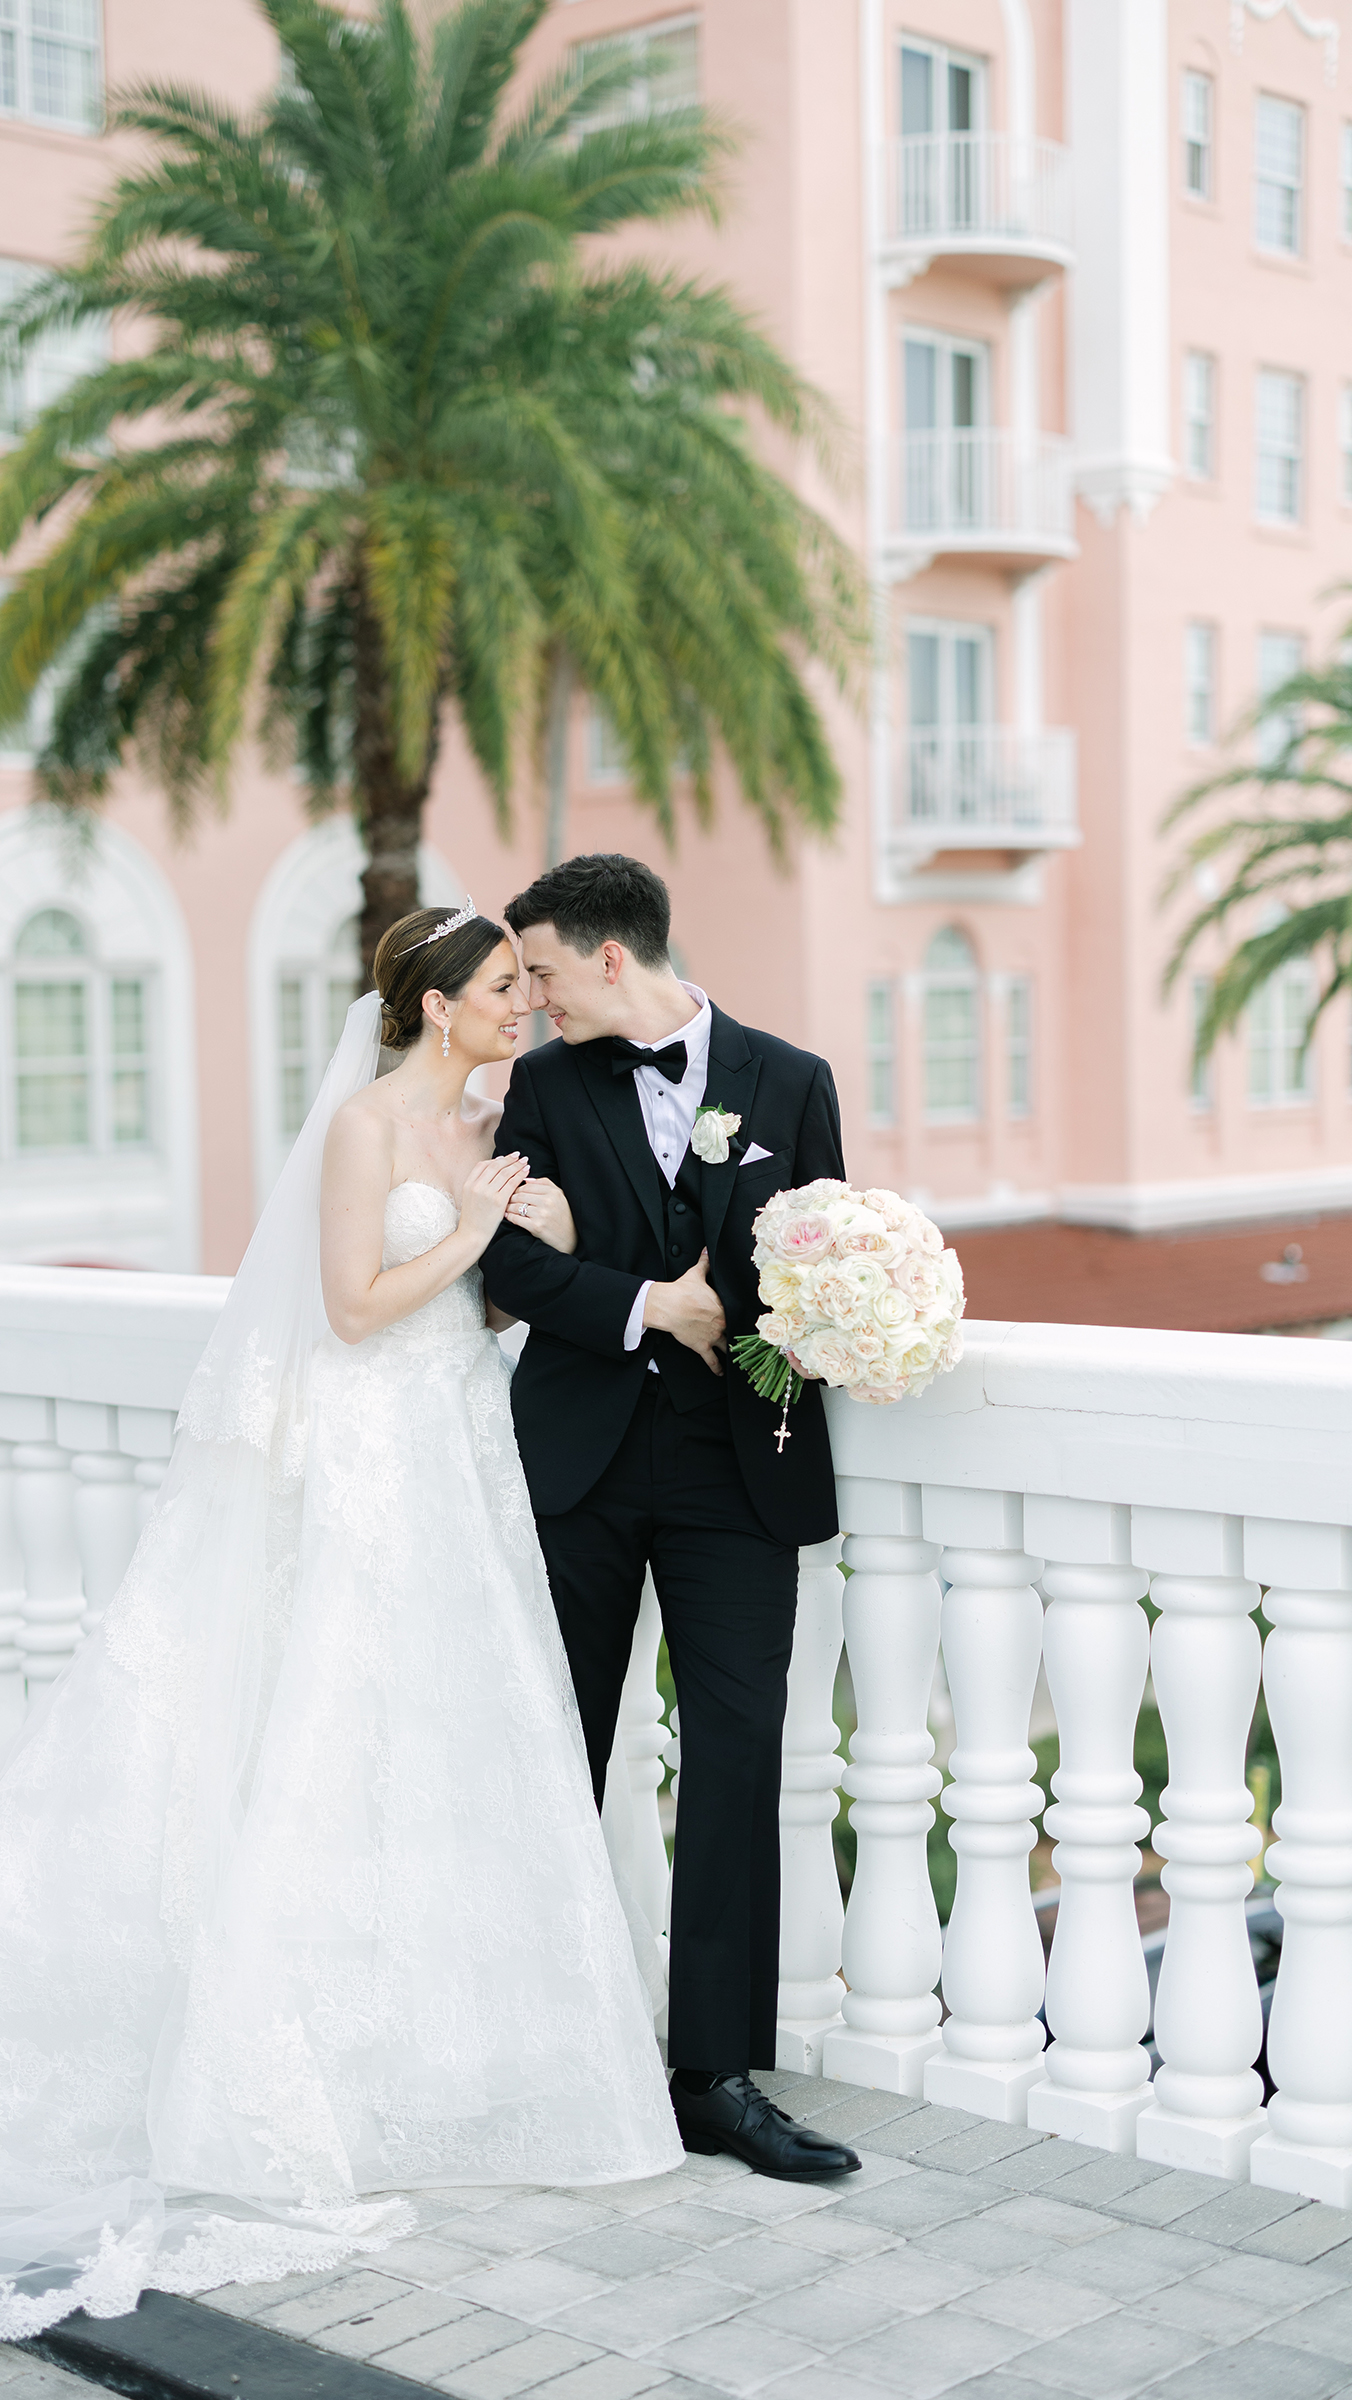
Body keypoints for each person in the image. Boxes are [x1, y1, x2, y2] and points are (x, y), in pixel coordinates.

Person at [0, 903, 681, 2392]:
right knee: (336, 1736)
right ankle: (297, 2065)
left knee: (449, 1752)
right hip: (377, 1454)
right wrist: (474, 1233)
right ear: (436, 1007)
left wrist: (539, 1232)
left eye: (528, 984)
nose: (528, 1004)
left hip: (460, 1458)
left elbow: (494, 1289)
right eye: (507, 987)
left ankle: (443, 2061)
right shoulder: (371, 1133)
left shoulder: (496, 1119)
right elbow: (357, 1308)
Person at [484, 854, 863, 2183]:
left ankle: (715, 2076)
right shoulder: (539, 1088)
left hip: (739, 1466)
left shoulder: (790, 1081)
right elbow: (509, 1261)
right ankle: (540, 2044)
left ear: (606, 956)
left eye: (536, 972)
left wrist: (800, 1320)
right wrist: (654, 1305)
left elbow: (827, 1260)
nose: (525, 1000)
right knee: (553, 1756)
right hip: (580, 1465)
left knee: (738, 1760)